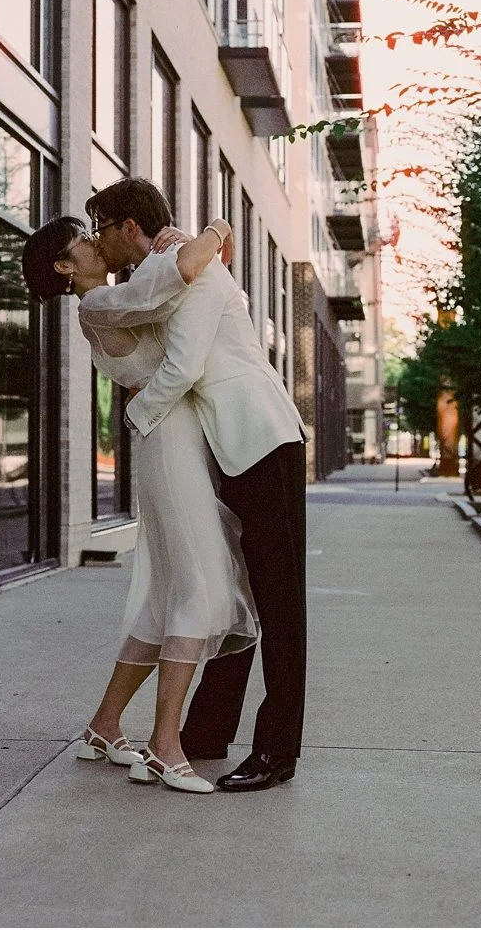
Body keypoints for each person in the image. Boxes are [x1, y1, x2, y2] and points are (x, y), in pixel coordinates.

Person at [83, 177, 308, 793]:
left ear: (130, 227)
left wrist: (137, 415)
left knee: (278, 601)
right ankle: (208, 729)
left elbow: (184, 366)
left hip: (262, 438)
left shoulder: (190, 267)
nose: (100, 241)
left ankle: (276, 751)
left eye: (103, 228)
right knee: (236, 586)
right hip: (227, 445)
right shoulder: (167, 267)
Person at [21, 211, 258, 795]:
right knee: (200, 587)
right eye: (82, 241)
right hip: (168, 441)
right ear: (65, 267)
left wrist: (178, 248)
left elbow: (178, 292)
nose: (94, 242)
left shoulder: (110, 301)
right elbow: (178, 278)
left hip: (174, 439)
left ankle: (104, 726)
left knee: (164, 595)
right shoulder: (99, 304)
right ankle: (164, 747)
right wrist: (212, 231)